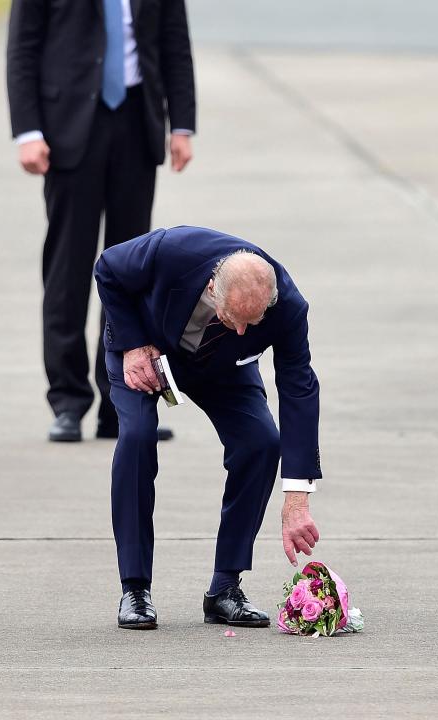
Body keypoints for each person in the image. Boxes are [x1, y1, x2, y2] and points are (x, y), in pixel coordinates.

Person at [93, 226, 322, 630]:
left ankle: (224, 588)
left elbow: (299, 389)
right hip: (147, 348)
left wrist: (297, 498)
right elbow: (108, 268)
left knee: (262, 442)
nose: (240, 331)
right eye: (231, 317)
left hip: (223, 368)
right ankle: (135, 588)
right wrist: (131, 344)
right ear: (213, 286)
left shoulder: (288, 308)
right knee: (137, 436)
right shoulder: (175, 250)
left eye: (252, 323)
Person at [7, 0, 196, 443]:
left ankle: (121, 401)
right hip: (68, 127)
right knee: (68, 272)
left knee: (134, 273)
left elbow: (175, 44)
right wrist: (28, 131)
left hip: (136, 120)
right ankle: (68, 400)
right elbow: (23, 48)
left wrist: (182, 125)